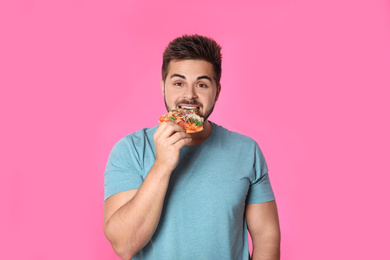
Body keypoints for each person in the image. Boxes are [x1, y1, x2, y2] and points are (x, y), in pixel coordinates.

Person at [103, 34, 281, 260]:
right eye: (178, 83)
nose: (189, 95)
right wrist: (162, 165)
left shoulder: (247, 151)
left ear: (217, 91)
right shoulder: (130, 150)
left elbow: (266, 234)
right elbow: (123, 245)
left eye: (201, 84)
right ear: (163, 87)